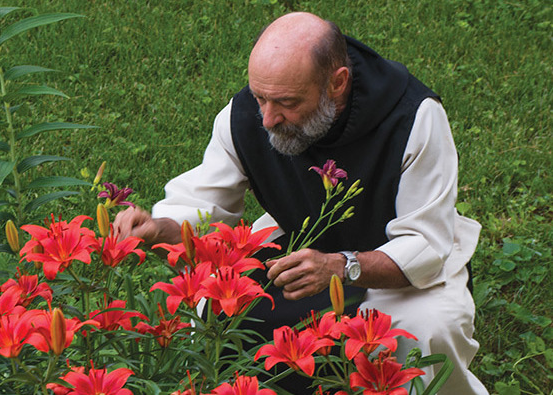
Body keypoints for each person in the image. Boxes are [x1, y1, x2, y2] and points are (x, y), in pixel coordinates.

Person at [114, 12, 487, 394]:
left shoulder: (413, 118)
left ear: (337, 83)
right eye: (260, 97)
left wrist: (342, 266)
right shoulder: (246, 115)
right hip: (297, 242)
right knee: (220, 301)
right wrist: (158, 229)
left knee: (427, 327)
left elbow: (426, 242)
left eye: (287, 102)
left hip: (403, 265)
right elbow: (204, 203)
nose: (267, 118)